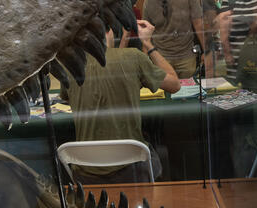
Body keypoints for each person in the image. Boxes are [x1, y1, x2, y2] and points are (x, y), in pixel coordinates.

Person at [61, 19, 180, 184]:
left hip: (85, 174)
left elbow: (68, 95)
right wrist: (147, 43)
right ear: (109, 32)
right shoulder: (133, 57)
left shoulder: (70, 66)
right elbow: (174, 84)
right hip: (131, 170)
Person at [137, 0, 205, 78]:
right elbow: (145, 34)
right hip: (161, 58)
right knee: (165, 94)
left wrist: (207, 51)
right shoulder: (149, 2)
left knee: (188, 93)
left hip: (186, 58)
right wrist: (145, 61)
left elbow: (199, 25)